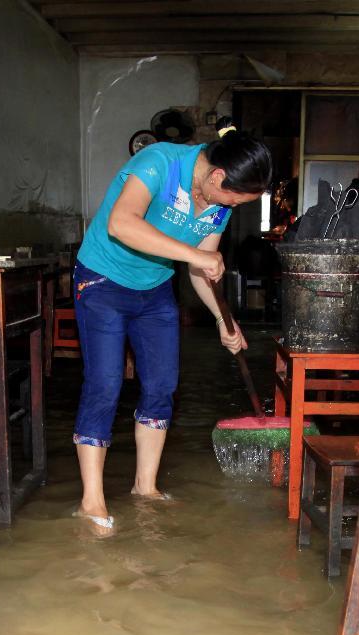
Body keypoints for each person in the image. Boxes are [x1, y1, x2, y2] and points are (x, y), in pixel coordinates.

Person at [73, 122, 273, 529]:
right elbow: (121, 224)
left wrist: (222, 320)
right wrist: (193, 256)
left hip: (155, 288)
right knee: (105, 383)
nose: (232, 208)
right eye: (234, 199)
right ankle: (91, 500)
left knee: (162, 383)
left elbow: (203, 268)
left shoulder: (217, 204)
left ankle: (144, 488)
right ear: (217, 176)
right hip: (103, 281)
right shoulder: (159, 163)